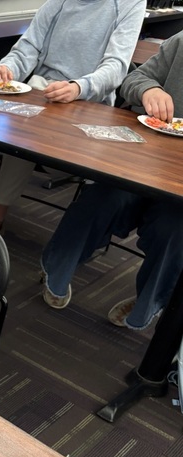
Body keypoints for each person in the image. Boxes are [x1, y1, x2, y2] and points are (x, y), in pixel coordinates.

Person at [40, 30, 183, 331]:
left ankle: (149, 303)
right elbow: (133, 79)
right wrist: (149, 90)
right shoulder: (180, 42)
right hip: (147, 160)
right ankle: (57, 269)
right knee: (101, 197)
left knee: (174, 230)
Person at [0, 0, 146, 231]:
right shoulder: (57, 2)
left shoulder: (130, 3)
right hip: (44, 94)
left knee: (36, 133)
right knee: (23, 130)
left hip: (90, 103)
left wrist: (79, 87)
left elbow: (116, 67)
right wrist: (7, 69)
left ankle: (79, 233)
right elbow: (28, 48)